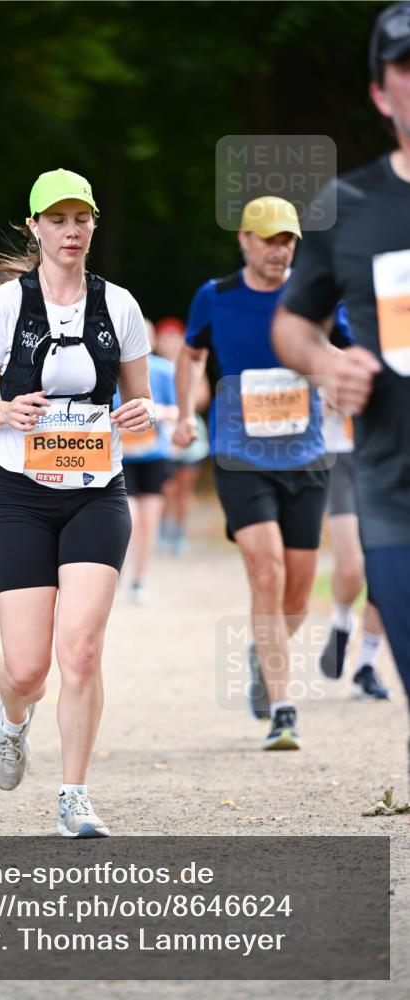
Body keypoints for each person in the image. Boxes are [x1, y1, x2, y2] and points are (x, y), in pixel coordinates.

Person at [0, 168, 152, 837]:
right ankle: (12, 721)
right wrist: (3, 409)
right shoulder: (7, 306)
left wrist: (138, 415)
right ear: (35, 227)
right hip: (19, 494)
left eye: (82, 219)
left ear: (94, 226)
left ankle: (73, 794)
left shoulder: (119, 305)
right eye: (58, 219)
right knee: (29, 667)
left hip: (98, 490)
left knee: (82, 651)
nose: (71, 231)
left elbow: (139, 401)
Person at [273, 2, 410, 720]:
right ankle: (351, 652)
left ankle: (352, 654)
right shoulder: (347, 207)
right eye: (406, 67)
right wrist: (326, 366)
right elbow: (292, 327)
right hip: (391, 485)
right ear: (380, 94)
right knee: (352, 568)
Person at [173, 196, 329, 752]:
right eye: (270, 239)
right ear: (245, 240)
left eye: (288, 239)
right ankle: (284, 711)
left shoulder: (313, 295)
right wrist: (188, 413)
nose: (280, 249)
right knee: (265, 573)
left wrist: (338, 376)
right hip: (240, 455)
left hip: (307, 458)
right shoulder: (215, 297)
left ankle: (263, 652)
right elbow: (191, 355)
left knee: (298, 598)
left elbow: (350, 350)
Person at [319, 303, 388, 700]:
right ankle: (342, 620)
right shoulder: (334, 308)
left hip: (388, 457)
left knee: (387, 562)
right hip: (340, 455)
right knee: (352, 565)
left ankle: (367, 664)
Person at [115, 319, 177, 603]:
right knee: (127, 518)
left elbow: (179, 411)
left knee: (148, 523)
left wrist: (155, 413)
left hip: (154, 455)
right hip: (120, 456)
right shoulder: (110, 369)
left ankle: (140, 580)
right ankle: (115, 575)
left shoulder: (163, 370)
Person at [154, 316, 210, 555]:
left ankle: (178, 533)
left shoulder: (192, 364)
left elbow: (203, 398)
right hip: (160, 434)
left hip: (188, 433)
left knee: (184, 490)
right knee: (165, 487)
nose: (169, 343)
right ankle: (161, 531)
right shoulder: (150, 367)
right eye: (165, 338)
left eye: (174, 338)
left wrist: (180, 405)